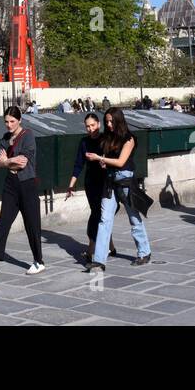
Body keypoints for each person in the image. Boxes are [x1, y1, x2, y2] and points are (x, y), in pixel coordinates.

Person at [0, 106, 44, 277]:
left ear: (19, 120)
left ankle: (39, 261)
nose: (9, 125)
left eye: (12, 121)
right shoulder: (5, 138)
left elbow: (22, 163)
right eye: (6, 121)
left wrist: (7, 160)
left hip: (27, 184)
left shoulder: (28, 135)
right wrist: (7, 162)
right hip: (11, 184)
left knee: (32, 225)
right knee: (3, 223)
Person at [86, 108, 151, 272]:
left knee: (134, 218)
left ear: (118, 121)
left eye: (111, 121)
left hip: (125, 181)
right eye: (107, 121)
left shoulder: (129, 139)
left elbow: (121, 162)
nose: (109, 124)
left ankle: (144, 252)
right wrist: (104, 162)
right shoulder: (107, 138)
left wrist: (100, 158)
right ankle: (99, 260)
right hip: (110, 181)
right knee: (104, 219)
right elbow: (110, 161)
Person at [65, 112, 115, 262]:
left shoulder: (106, 139)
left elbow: (114, 159)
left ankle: (94, 247)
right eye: (87, 126)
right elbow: (78, 164)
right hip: (91, 183)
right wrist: (71, 185)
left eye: (93, 125)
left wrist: (105, 162)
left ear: (99, 124)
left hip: (106, 181)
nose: (90, 129)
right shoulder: (84, 142)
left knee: (103, 215)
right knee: (97, 214)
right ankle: (100, 246)